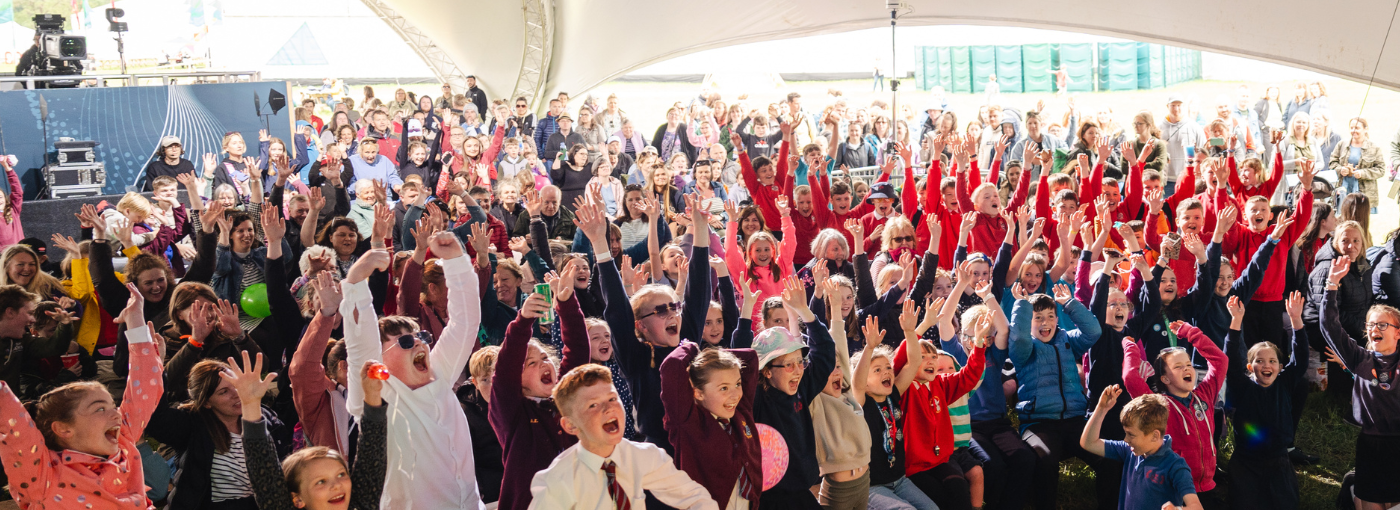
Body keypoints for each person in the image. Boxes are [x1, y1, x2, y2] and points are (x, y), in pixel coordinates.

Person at [340, 229, 485, 509]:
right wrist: (356, 281)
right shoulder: (376, 396)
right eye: (406, 341)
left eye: (423, 337)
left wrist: (456, 261)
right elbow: (361, 349)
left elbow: (465, 323)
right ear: (381, 358)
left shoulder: (440, 374)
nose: (420, 344)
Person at [0, 283, 160, 509]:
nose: (116, 413)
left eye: (112, 405)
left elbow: (144, 388)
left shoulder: (121, 439)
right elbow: (14, 425)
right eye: (99, 408)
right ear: (64, 429)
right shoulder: (43, 474)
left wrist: (135, 323)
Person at [527, 364, 719, 510]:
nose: (608, 408)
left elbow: (695, 497)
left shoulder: (643, 456)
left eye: (612, 399)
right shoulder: (558, 479)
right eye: (593, 405)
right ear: (570, 425)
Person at [1318, 257, 1400, 510]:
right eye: (1371, 325)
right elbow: (1329, 327)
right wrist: (1331, 284)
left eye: (1383, 324)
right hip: (1370, 443)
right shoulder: (1360, 359)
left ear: (1398, 331)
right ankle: (1353, 489)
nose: (1375, 328)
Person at [1223, 293, 1308, 510]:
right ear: (1250, 368)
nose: (1266, 365)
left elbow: (1301, 359)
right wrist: (1236, 321)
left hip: (1278, 460)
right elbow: (1231, 361)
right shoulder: (1243, 387)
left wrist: (1297, 322)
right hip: (1246, 462)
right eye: (1259, 361)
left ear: (1280, 366)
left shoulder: (1284, 383)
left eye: (1272, 361)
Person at [1079, 388, 1204, 510]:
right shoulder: (1128, 450)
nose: (1125, 440)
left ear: (1155, 436)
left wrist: (1177, 509)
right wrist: (1101, 408)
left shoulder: (1176, 466)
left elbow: (1196, 506)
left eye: (1131, 434)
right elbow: (1089, 443)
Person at [1330, 117, 1384, 212]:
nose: (1353, 130)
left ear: (1365, 129)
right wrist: (1340, 169)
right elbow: (1332, 163)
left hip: (1365, 193)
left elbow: (1381, 170)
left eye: (1357, 128)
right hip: (1343, 190)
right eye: (1351, 128)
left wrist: (1362, 173)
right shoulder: (1342, 144)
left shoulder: (1374, 147)